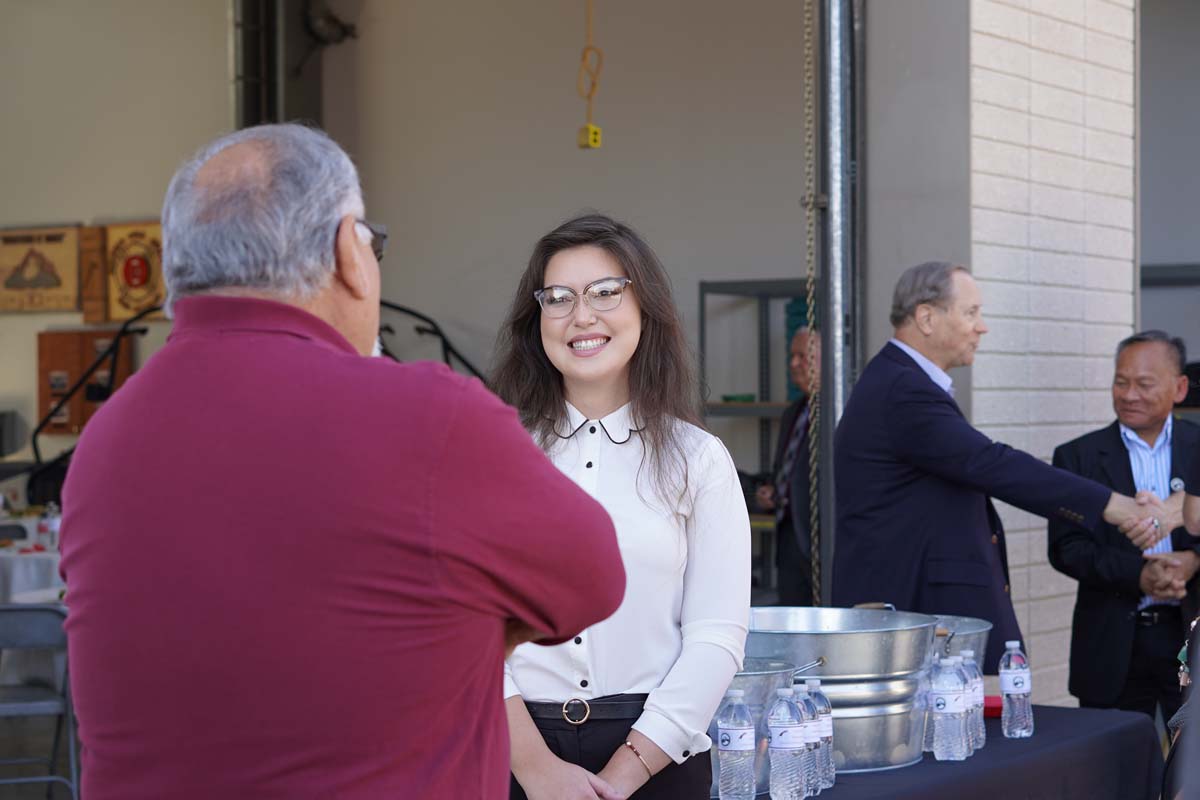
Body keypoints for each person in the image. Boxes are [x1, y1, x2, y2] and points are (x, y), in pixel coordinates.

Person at [59, 124, 626, 800]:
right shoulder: (428, 417)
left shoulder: (106, 439)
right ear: (348, 253)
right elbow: (594, 578)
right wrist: (470, 631)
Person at [492, 213, 751, 799]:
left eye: (605, 292)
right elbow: (464, 628)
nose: (582, 316)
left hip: (658, 755)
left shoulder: (698, 458)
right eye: (558, 298)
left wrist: (625, 773)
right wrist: (534, 767)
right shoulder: (493, 452)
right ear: (537, 320)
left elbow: (716, 637)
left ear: (644, 308)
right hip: (510, 750)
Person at [832, 261, 1166, 670]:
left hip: (906, 611)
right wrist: (1113, 505)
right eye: (971, 312)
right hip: (904, 610)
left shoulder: (900, 381)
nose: (982, 327)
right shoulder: (904, 390)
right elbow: (990, 463)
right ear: (926, 318)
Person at [1049, 330, 1200, 721]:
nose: (1130, 395)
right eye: (1121, 382)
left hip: (1189, 633)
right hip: (1112, 643)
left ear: (1179, 388)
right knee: (1114, 754)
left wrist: (1193, 560)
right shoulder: (1077, 457)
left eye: (1144, 384)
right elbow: (1067, 549)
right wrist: (1140, 574)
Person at [756, 325, 821, 605]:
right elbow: (786, 469)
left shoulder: (838, 413)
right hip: (789, 539)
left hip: (820, 542)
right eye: (791, 356)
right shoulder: (794, 412)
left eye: (802, 356)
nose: (793, 364)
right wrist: (771, 490)